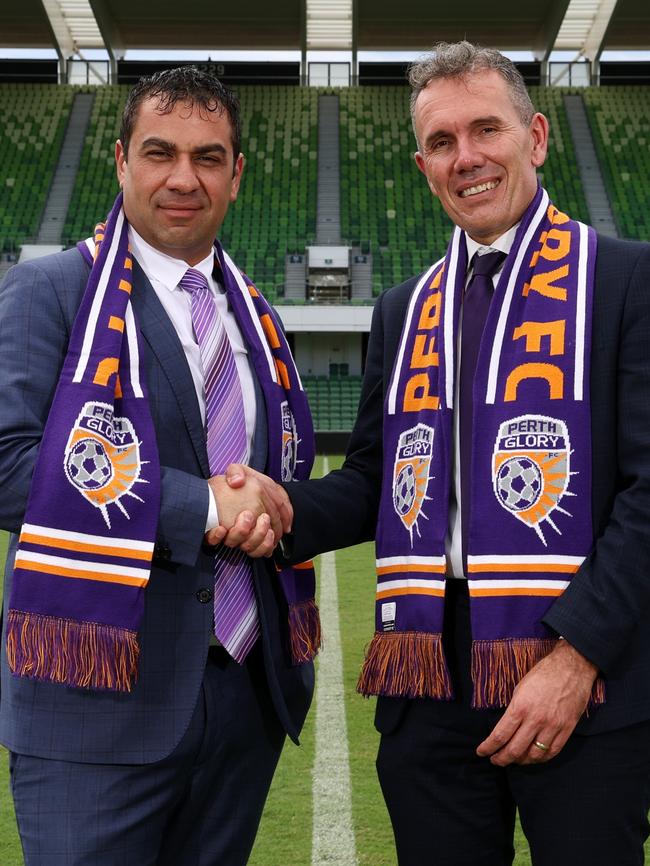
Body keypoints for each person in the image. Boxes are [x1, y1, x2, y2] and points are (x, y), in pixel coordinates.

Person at [220, 41, 650, 865]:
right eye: (443, 143)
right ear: (422, 165)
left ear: (537, 136)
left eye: (485, 130)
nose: (467, 158)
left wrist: (577, 656)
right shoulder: (402, 307)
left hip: (578, 670)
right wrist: (273, 506)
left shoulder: (625, 281)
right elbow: (377, 481)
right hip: (426, 673)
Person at [0, 66, 317, 866]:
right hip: (96, 704)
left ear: (237, 175)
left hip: (242, 700)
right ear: (119, 161)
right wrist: (200, 508)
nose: (184, 178)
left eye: (209, 157)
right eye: (159, 152)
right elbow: (9, 462)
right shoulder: (50, 292)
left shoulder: (258, 315)